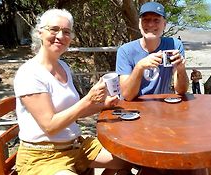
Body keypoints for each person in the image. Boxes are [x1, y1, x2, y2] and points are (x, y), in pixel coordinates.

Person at [14, 9, 132, 175]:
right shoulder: (29, 74)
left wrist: (102, 105)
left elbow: (72, 111)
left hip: (76, 145)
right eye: (54, 29)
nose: (61, 36)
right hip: (43, 156)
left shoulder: (63, 66)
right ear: (40, 32)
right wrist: (88, 99)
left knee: (128, 160)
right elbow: (50, 126)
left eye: (66, 31)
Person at [116, 2, 189, 101]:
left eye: (156, 20)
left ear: (164, 24)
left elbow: (181, 91)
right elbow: (127, 96)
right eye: (146, 20)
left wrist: (181, 69)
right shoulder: (125, 51)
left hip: (163, 105)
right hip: (134, 108)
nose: (150, 24)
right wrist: (139, 67)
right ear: (139, 24)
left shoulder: (175, 45)